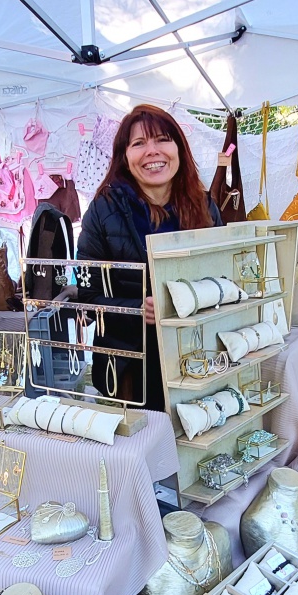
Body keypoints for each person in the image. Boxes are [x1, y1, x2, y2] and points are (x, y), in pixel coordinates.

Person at [77, 105, 222, 410]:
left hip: (198, 355)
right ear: (124, 156)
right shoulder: (102, 212)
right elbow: (87, 298)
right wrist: (138, 309)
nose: (152, 152)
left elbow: (223, 274)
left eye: (162, 139)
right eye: (139, 143)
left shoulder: (204, 205)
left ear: (178, 148)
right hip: (132, 369)